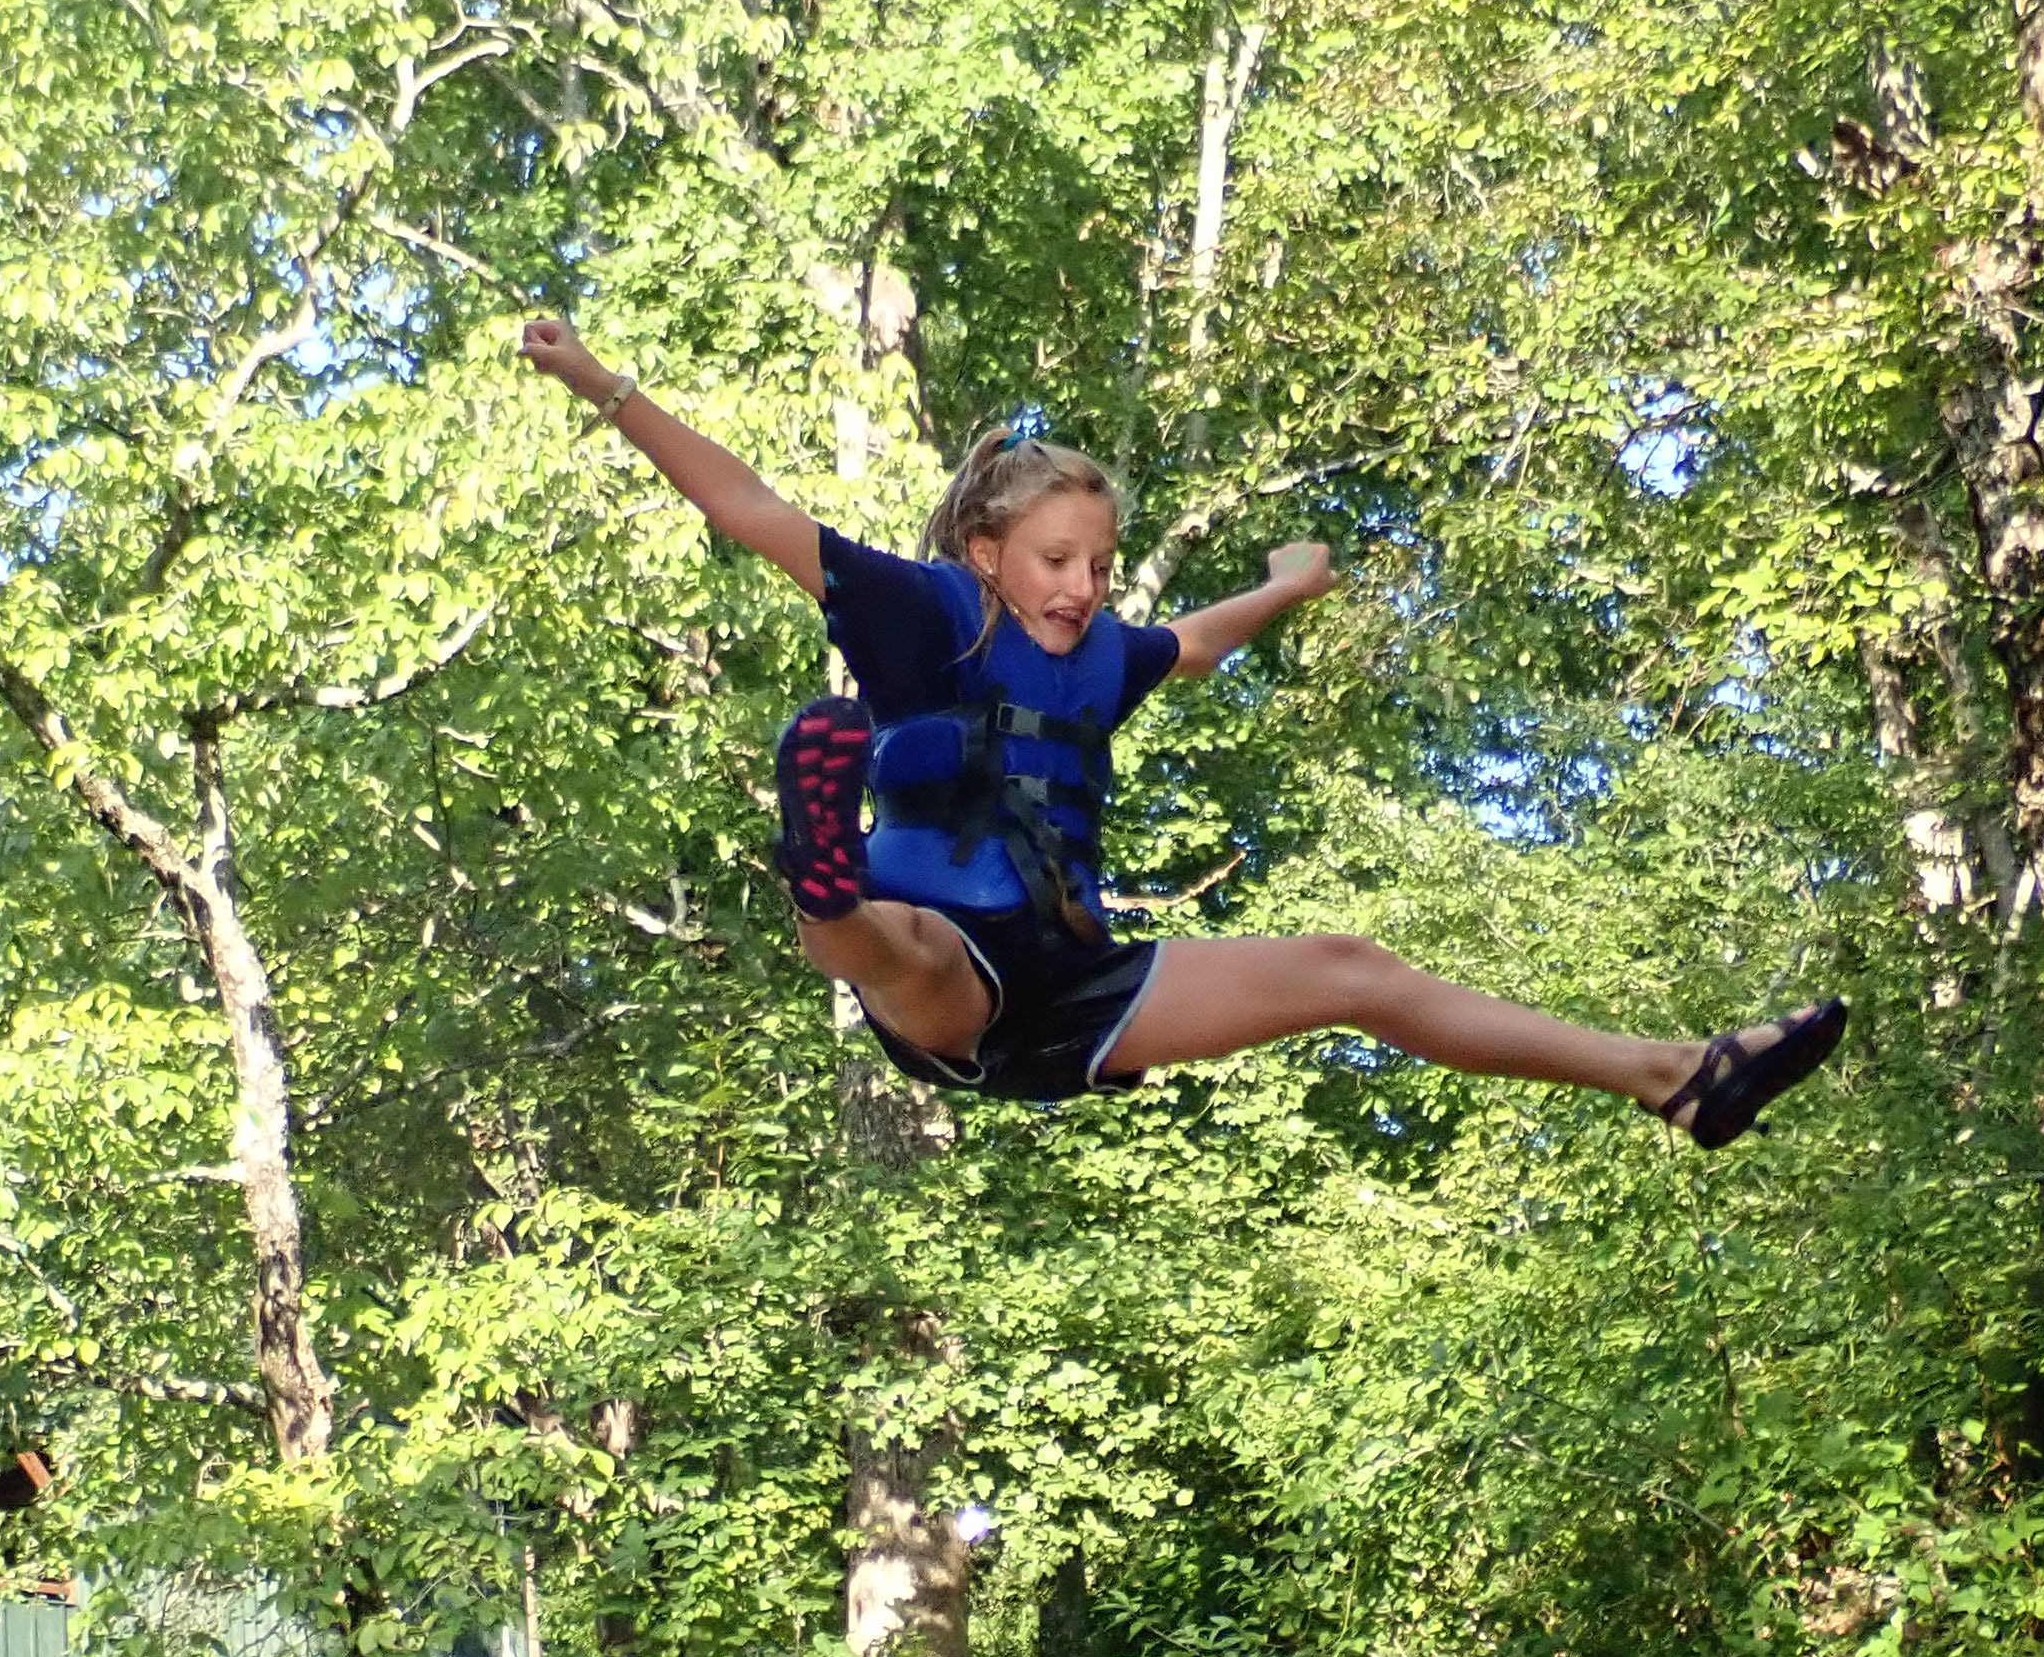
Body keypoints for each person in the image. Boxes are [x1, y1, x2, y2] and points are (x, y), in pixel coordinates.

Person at [515, 320, 1846, 1129]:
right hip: (939, 970)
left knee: (1349, 968)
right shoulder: (921, 614)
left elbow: (1195, 640)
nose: (1081, 587)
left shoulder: (1102, 655)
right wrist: (599, 385)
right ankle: (821, 874)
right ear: (985, 552)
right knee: (895, 946)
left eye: (1099, 565)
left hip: (1077, 980)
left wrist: (1288, 586)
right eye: (1054, 561)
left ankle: (1672, 1075)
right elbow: (747, 507)